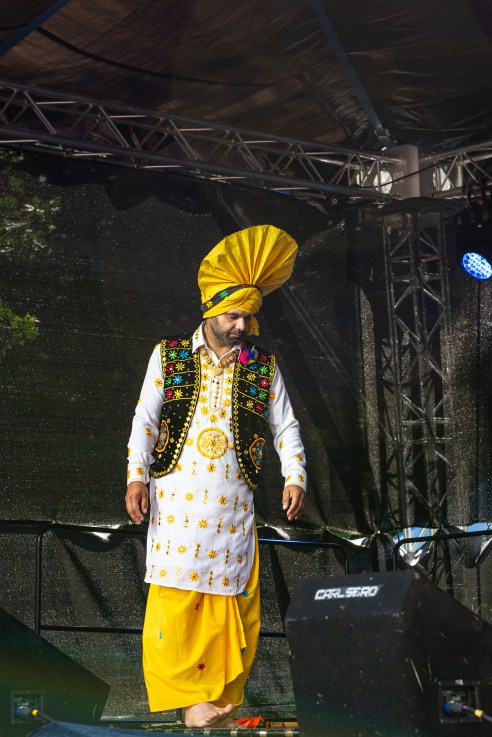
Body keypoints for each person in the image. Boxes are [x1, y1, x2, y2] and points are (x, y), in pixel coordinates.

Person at [125, 224, 307, 728]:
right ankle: (189, 703)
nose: (242, 325)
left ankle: (221, 703)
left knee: (235, 604)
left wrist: (295, 476)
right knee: (176, 600)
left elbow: (285, 426)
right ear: (210, 310)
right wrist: (136, 476)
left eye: (248, 316)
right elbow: (145, 420)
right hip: (176, 506)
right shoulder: (169, 355)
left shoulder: (262, 367)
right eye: (233, 315)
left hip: (233, 509)